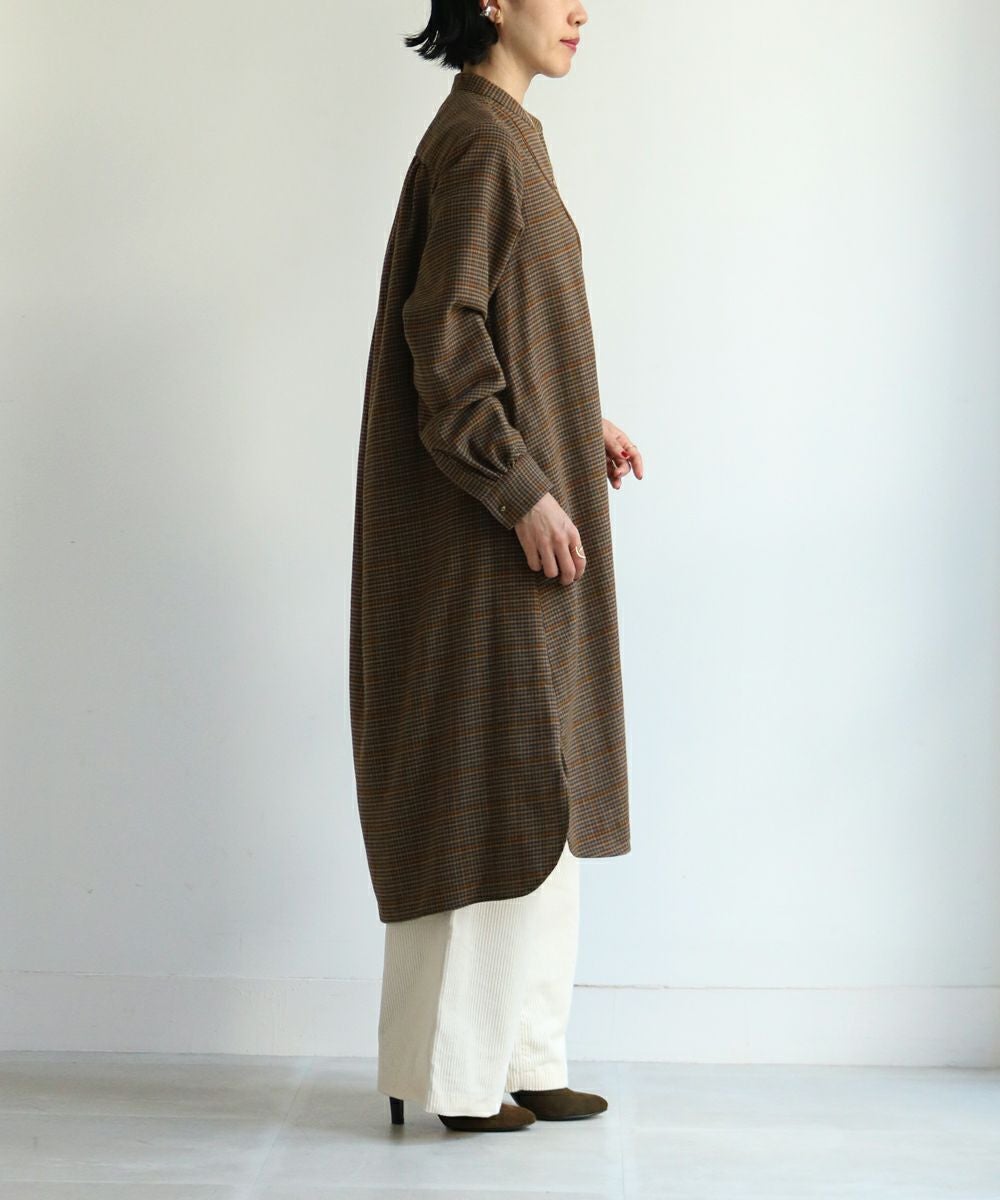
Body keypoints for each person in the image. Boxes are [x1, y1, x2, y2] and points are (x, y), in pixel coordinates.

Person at [349, 0, 644, 1133]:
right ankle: (453, 1079)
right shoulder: (478, 139)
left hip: (510, 516)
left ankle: (522, 1057)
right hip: (479, 535)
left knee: (541, 780)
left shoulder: (507, 133)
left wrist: (575, 419)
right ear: (487, 2)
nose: (579, 10)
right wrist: (520, 486)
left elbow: (506, 324)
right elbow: (443, 334)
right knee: (490, 782)